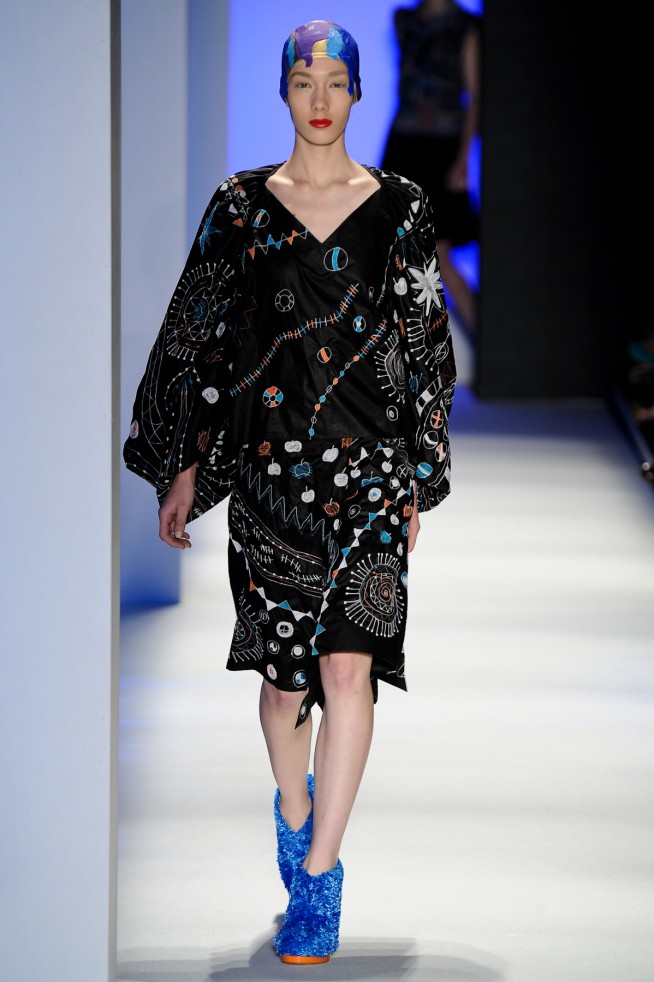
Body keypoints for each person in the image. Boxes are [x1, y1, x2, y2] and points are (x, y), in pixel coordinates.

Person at [123, 19, 456, 966]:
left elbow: (426, 345)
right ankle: (294, 800)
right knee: (284, 690)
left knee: (349, 670)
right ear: (283, 92)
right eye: (304, 80)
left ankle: (319, 876)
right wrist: (186, 461)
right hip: (273, 478)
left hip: (372, 471)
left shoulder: (400, 207)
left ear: (358, 92)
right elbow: (198, 335)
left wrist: (420, 471)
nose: (320, 97)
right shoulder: (240, 207)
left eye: (336, 81)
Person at [381, 0, 481, 337]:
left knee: (439, 251)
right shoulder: (404, 20)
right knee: (399, 253)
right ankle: (405, 353)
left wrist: (463, 159)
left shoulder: (465, 27)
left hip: (443, 148)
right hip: (404, 145)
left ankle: (489, 346)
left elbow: (474, 96)